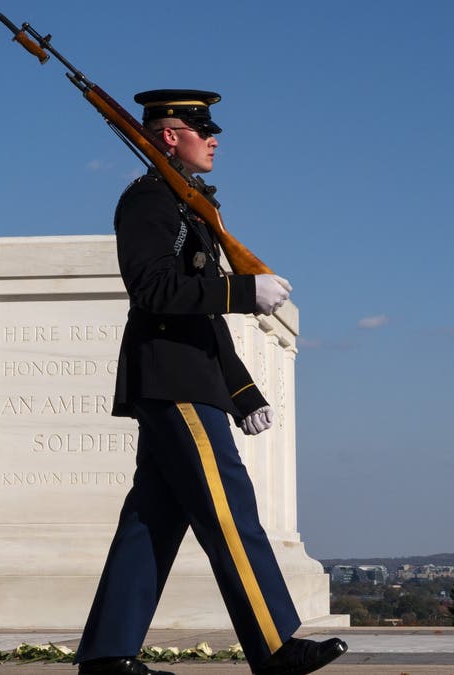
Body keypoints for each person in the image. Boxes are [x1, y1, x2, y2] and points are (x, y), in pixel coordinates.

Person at [73, 89, 346, 675]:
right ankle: (274, 648)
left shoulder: (185, 206)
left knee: (153, 518)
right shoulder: (149, 202)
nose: (215, 138)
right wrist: (244, 291)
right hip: (174, 380)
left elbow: (200, 316)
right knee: (228, 507)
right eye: (202, 129)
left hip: (182, 375)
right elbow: (152, 291)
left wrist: (242, 389)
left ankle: (107, 656)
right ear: (169, 136)